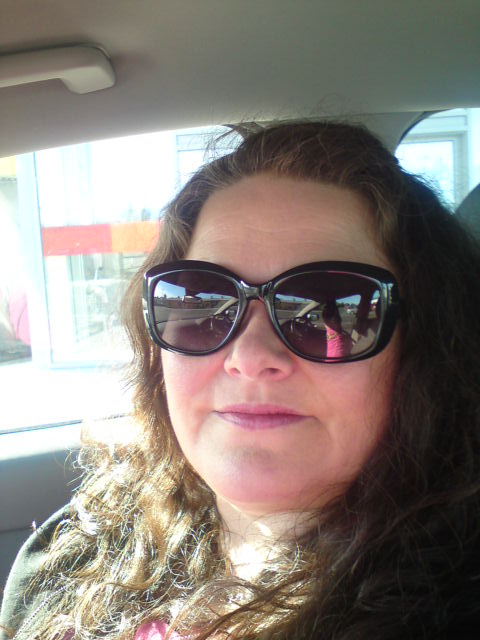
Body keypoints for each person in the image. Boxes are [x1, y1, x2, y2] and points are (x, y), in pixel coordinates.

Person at [1, 121, 480, 640]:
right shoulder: (71, 551)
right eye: (202, 303)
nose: (249, 358)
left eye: (328, 310)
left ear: (425, 347)